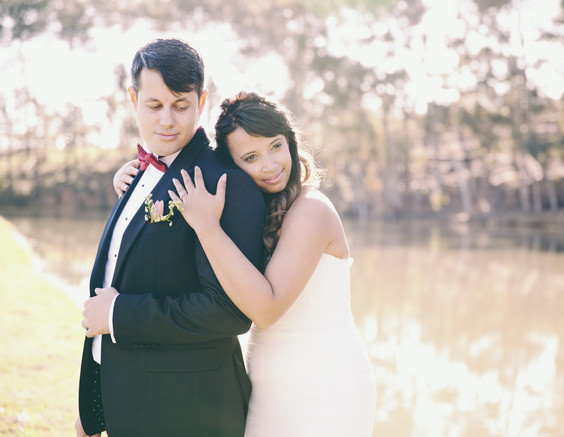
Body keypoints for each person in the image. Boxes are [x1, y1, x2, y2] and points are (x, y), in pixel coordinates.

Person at [113, 91, 377, 436]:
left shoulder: (312, 210)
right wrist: (137, 185)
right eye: (251, 157)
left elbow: (266, 309)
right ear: (232, 166)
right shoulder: (258, 211)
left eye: (276, 146)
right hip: (265, 385)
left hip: (323, 385)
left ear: (291, 142)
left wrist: (206, 227)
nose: (269, 165)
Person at [76, 39, 266, 437]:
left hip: (189, 411)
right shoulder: (139, 171)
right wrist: (95, 402)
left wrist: (117, 315)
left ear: (202, 101)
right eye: (154, 106)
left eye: (181, 106)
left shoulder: (225, 183)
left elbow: (229, 311)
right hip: (125, 397)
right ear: (133, 98)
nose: (167, 121)